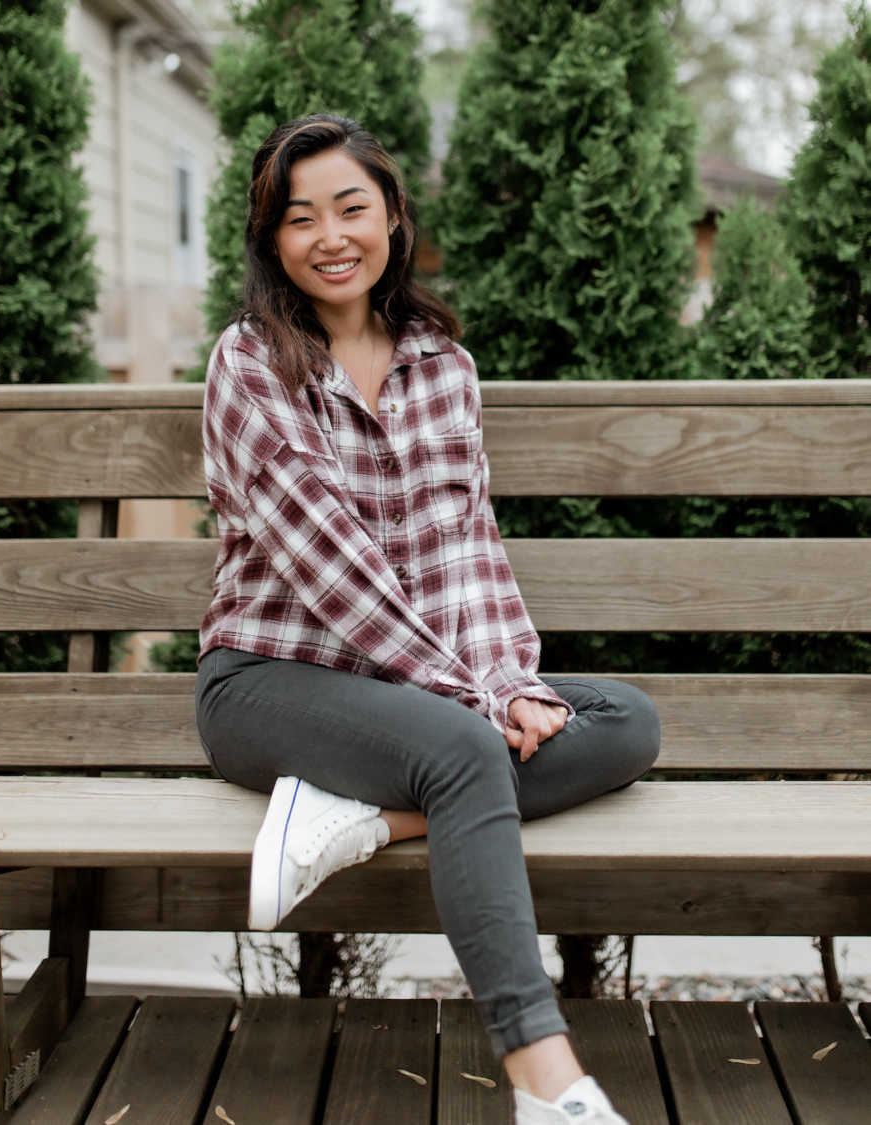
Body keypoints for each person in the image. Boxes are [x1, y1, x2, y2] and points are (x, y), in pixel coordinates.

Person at [195, 112, 660, 1125]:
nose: (330, 236)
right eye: (299, 217)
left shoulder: (442, 366)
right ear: (273, 240)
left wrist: (512, 686)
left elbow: (467, 556)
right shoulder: (250, 365)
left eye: (352, 208)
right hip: (266, 684)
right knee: (463, 751)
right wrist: (471, 704)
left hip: (413, 701)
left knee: (626, 720)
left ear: (395, 219)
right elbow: (332, 568)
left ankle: (359, 822)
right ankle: (548, 1080)